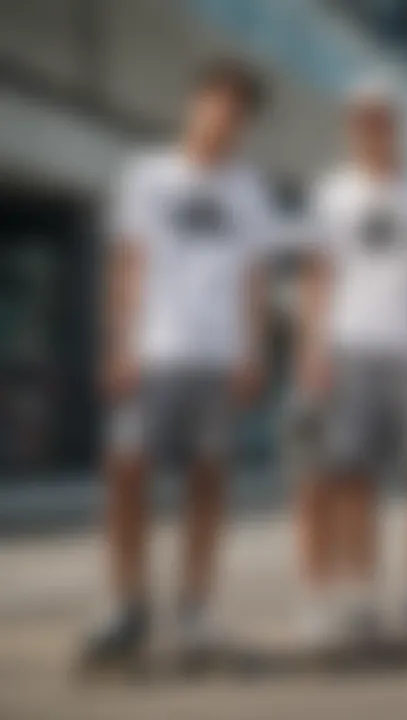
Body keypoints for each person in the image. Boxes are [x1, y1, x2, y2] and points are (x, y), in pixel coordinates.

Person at [85, 59, 273, 664]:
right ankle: (128, 605)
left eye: (238, 109)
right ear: (194, 104)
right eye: (216, 101)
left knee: (208, 483)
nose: (225, 116)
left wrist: (252, 350)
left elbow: (254, 278)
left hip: (217, 356)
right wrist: (119, 345)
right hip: (153, 352)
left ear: (246, 122)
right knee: (126, 477)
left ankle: (195, 610)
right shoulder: (148, 176)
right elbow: (128, 264)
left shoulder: (249, 189)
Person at [292, 76, 407, 646]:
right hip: (349, 343)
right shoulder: (331, 193)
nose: (373, 129)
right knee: (351, 476)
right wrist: (313, 347)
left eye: (383, 118)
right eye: (362, 119)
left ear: (398, 124)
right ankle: (361, 596)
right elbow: (319, 275)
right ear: (350, 126)